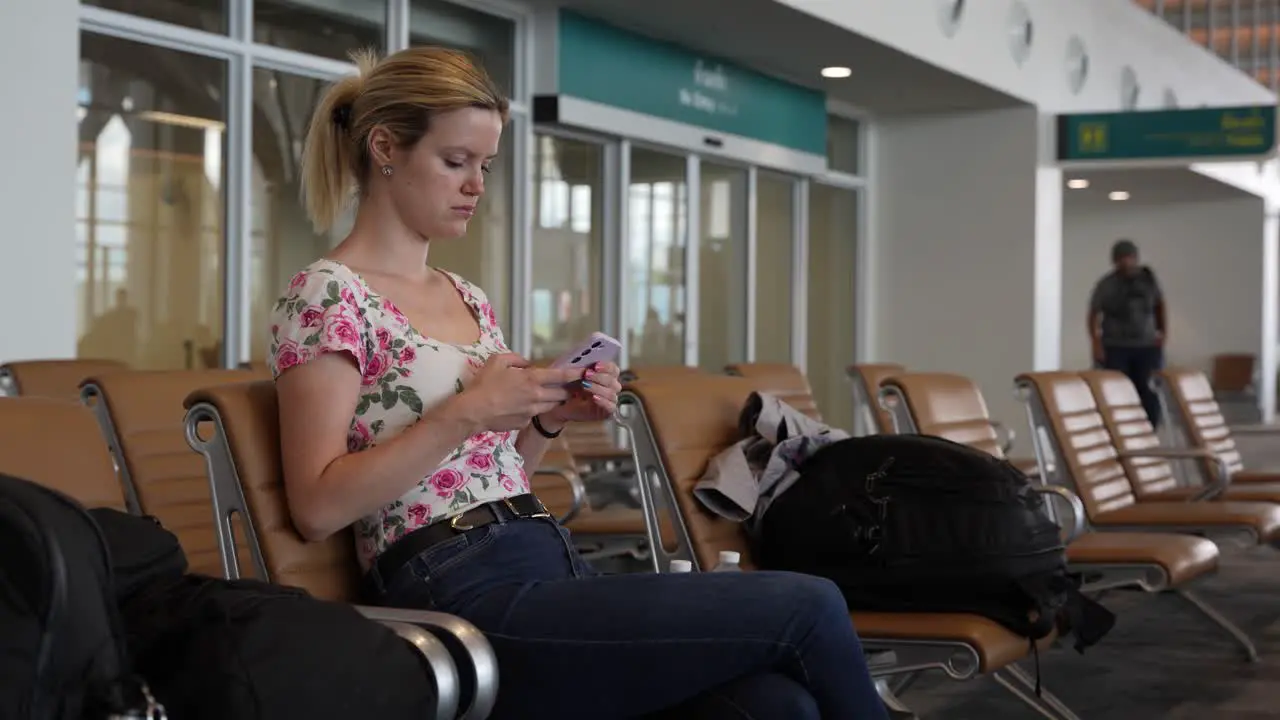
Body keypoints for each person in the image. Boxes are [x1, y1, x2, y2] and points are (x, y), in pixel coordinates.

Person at [267, 46, 889, 720]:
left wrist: (545, 418)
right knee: (810, 603)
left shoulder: (467, 296)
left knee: (776, 704)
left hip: (543, 560)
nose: (476, 184)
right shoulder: (328, 295)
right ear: (386, 147)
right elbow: (317, 506)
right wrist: (468, 413)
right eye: (455, 162)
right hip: (452, 595)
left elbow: (499, 474)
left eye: (485, 165)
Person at [1088, 239, 1167, 426]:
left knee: (1149, 391)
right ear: (1114, 261)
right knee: (1116, 392)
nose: (1126, 262)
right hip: (1116, 346)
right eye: (1121, 258)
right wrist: (1096, 343)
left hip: (1146, 346)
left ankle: (1149, 430)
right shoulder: (1106, 284)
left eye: (1129, 257)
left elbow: (1160, 306)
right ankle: (1119, 432)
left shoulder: (1148, 281)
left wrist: (1163, 333)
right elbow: (1093, 314)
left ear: (1136, 258)